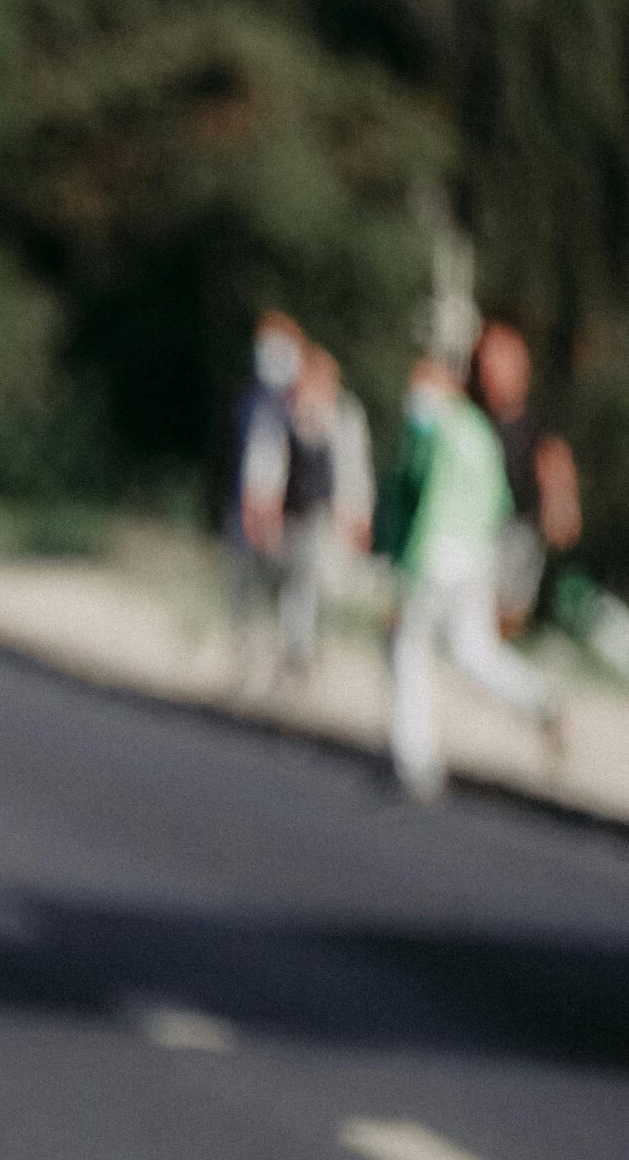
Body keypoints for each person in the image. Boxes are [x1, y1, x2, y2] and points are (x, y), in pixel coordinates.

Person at [388, 354, 560, 802]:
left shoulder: (437, 431)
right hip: (475, 560)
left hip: (435, 557)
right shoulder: (481, 433)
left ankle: (416, 763)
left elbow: (423, 500)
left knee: (408, 653)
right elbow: (499, 505)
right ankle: (537, 698)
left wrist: (407, 568)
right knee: (473, 649)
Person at [269, 346, 374, 675]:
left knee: (320, 585)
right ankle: (296, 652)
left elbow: (356, 468)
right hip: (295, 513)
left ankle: (309, 652)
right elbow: (274, 463)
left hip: (328, 515)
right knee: (297, 583)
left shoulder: (345, 414)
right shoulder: (288, 410)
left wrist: (360, 514)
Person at [472, 321, 582, 636]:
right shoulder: (474, 418)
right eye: (485, 358)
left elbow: (564, 517)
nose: (489, 368)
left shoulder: (540, 434)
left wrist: (560, 505)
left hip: (513, 543)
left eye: (499, 358)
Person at [226, 311, 304, 686]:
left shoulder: (298, 405)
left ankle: (283, 670)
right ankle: (246, 668)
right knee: (244, 595)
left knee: (282, 597)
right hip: (245, 514)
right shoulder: (250, 401)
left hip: (282, 519)